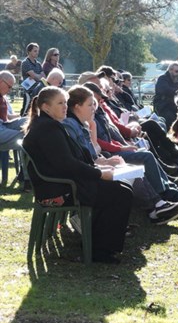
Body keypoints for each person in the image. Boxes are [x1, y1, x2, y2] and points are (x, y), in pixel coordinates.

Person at [22, 86, 133, 264]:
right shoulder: (48, 129)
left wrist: (99, 169)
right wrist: (98, 174)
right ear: (45, 107)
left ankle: (98, 244)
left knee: (121, 187)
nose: (65, 106)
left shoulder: (49, 125)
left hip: (63, 183)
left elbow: (70, 160)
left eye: (66, 102)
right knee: (120, 192)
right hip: (59, 190)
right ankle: (98, 250)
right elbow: (66, 164)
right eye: (60, 103)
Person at [63, 85, 178, 225]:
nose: (94, 108)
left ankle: (158, 206)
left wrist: (103, 157)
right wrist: (104, 161)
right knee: (131, 168)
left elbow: (92, 151)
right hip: (89, 173)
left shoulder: (81, 124)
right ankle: (157, 206)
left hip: (97, 164)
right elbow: (83, 156)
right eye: (90, 104)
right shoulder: (71, 124)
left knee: (129, 166)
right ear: (78, 106)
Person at [0, 71, 27, 151]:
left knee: (31, 120)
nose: (10, 90)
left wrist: (21, 116)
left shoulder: (3, 97)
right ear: (1, 81)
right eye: (9, 87)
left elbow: (7, 117)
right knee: (29, 135)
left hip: (5, 125)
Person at [153, 62, 178, 129]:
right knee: (169, 118)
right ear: (170, 70)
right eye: (176, 71)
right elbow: (165, 90)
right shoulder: (162, 78)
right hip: (163, 105)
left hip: (175, 105)